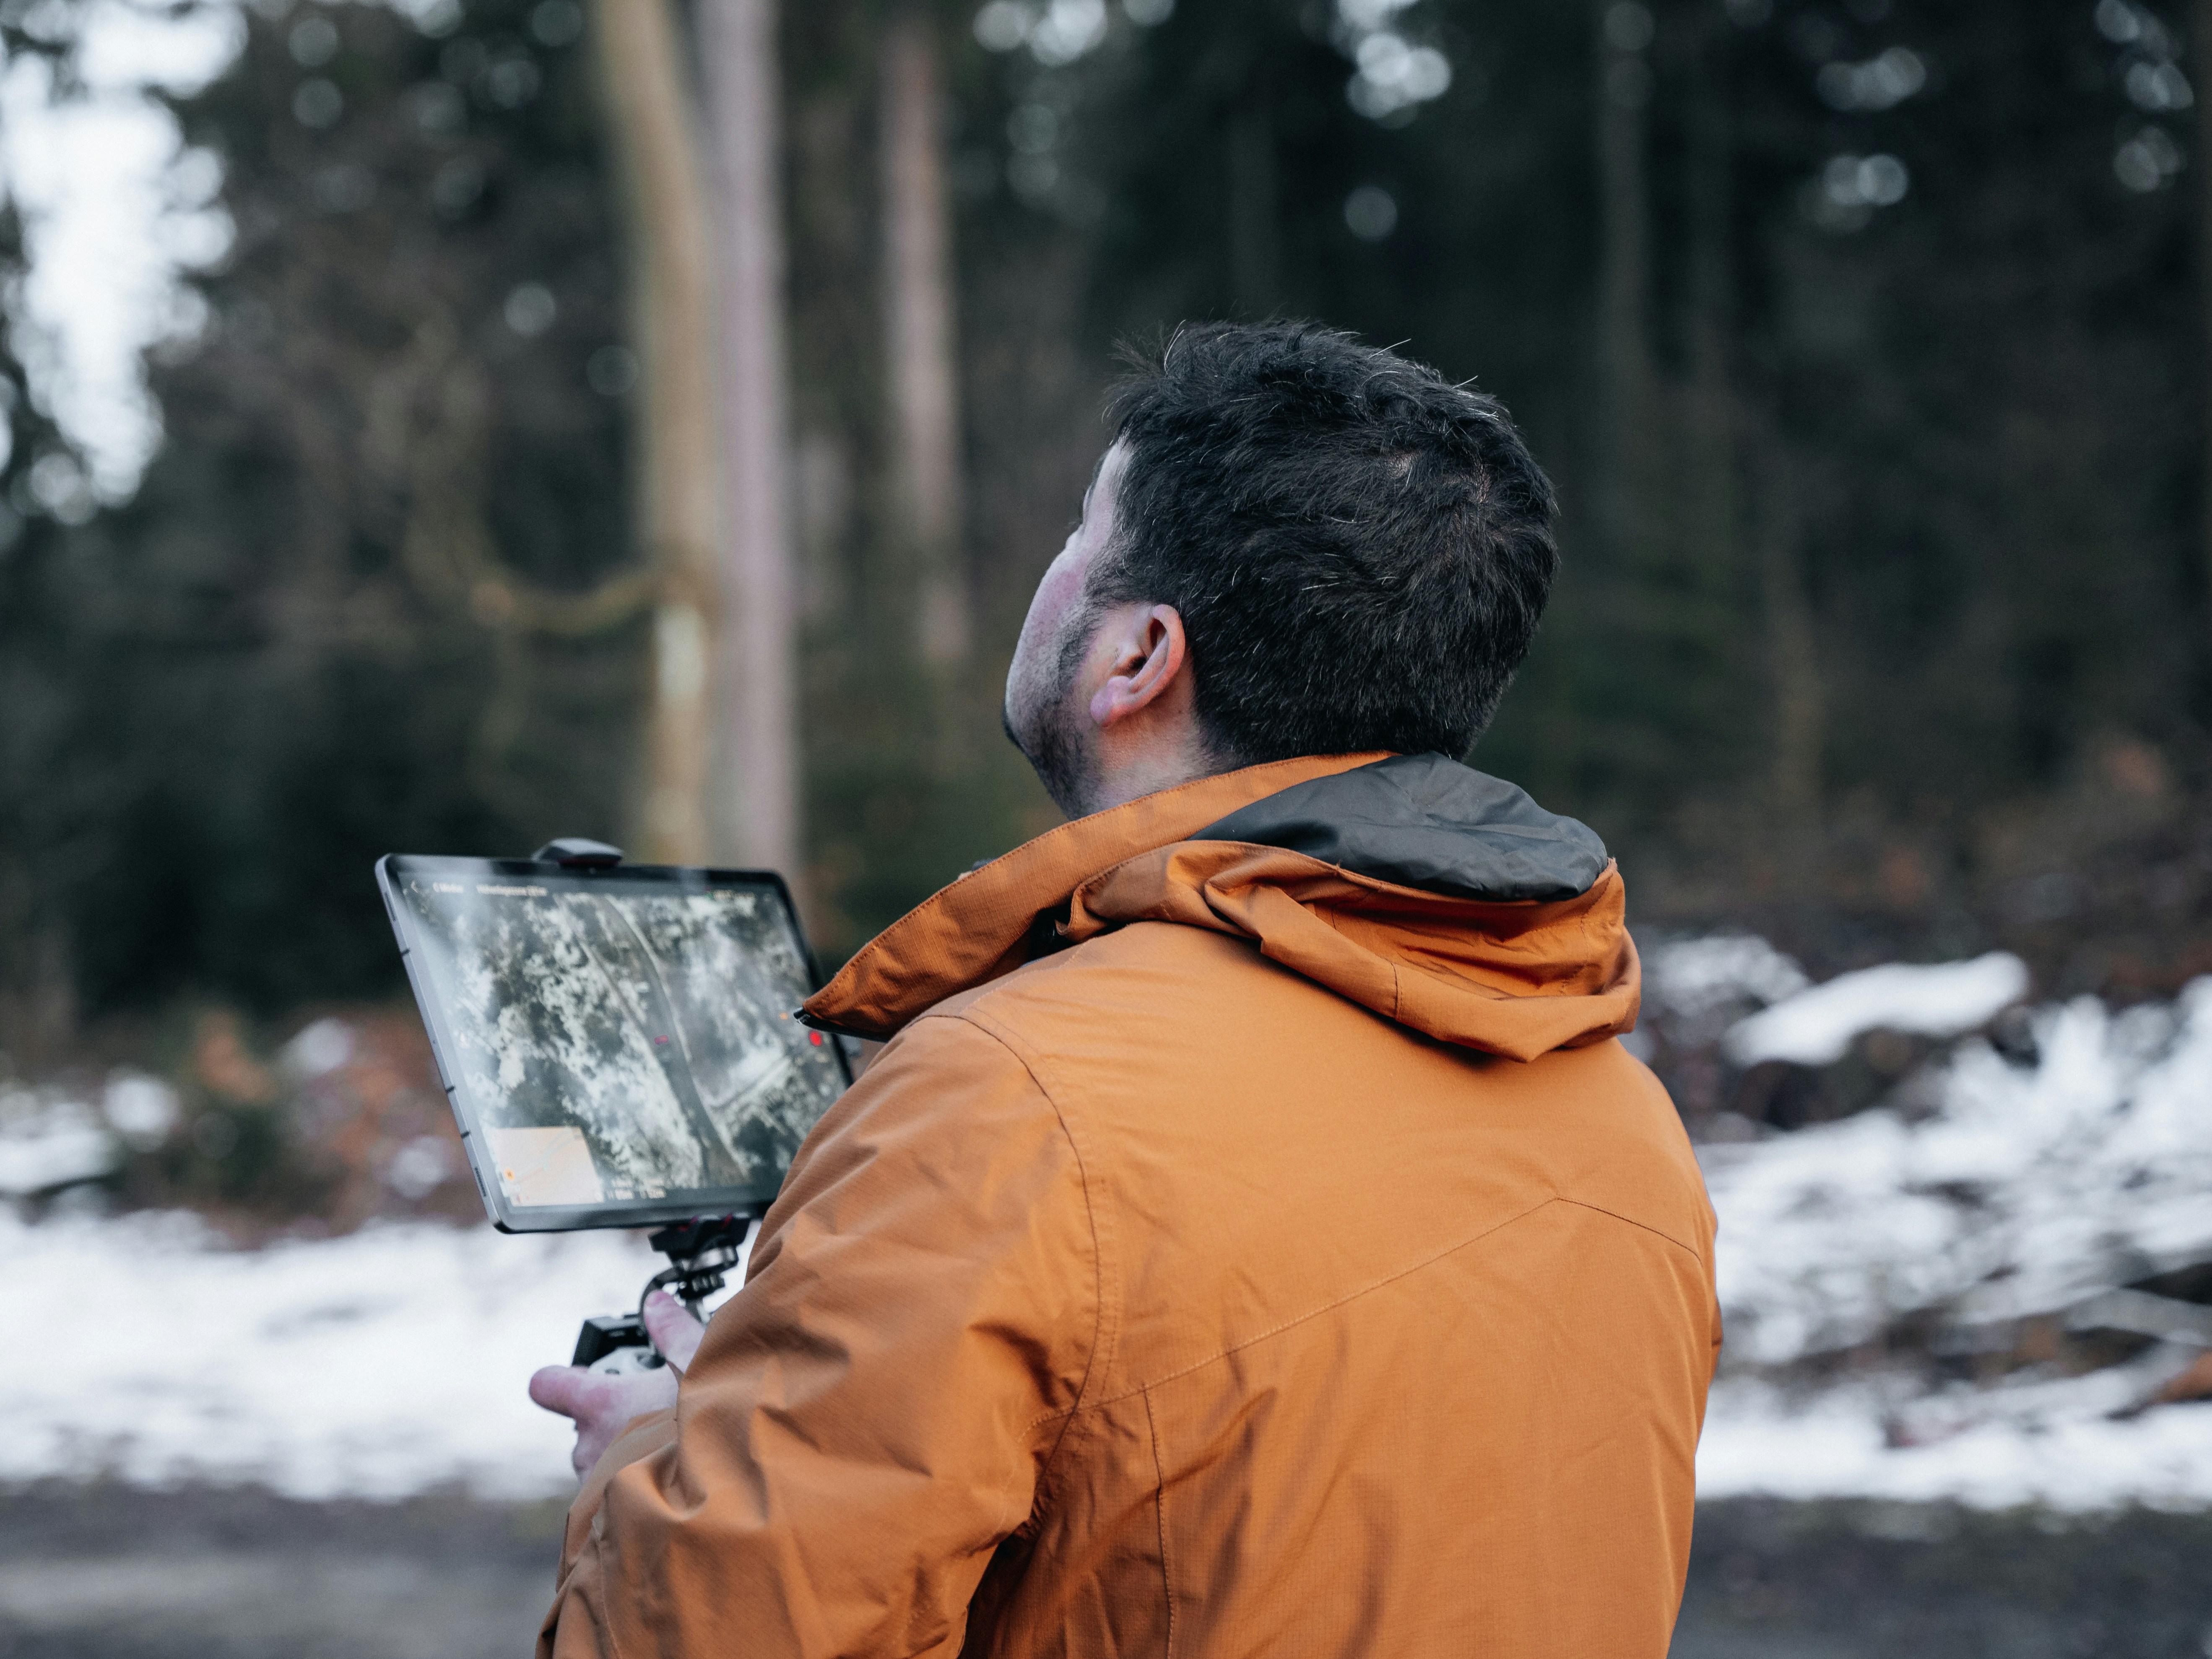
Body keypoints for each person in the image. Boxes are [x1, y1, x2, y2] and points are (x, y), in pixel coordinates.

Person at [529, 322, 1719, 1658]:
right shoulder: (1624, 1120)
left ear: (1136, 656)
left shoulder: (1001, 1101)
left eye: (1074, 537)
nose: (1045, 579)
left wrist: (652, 1473)